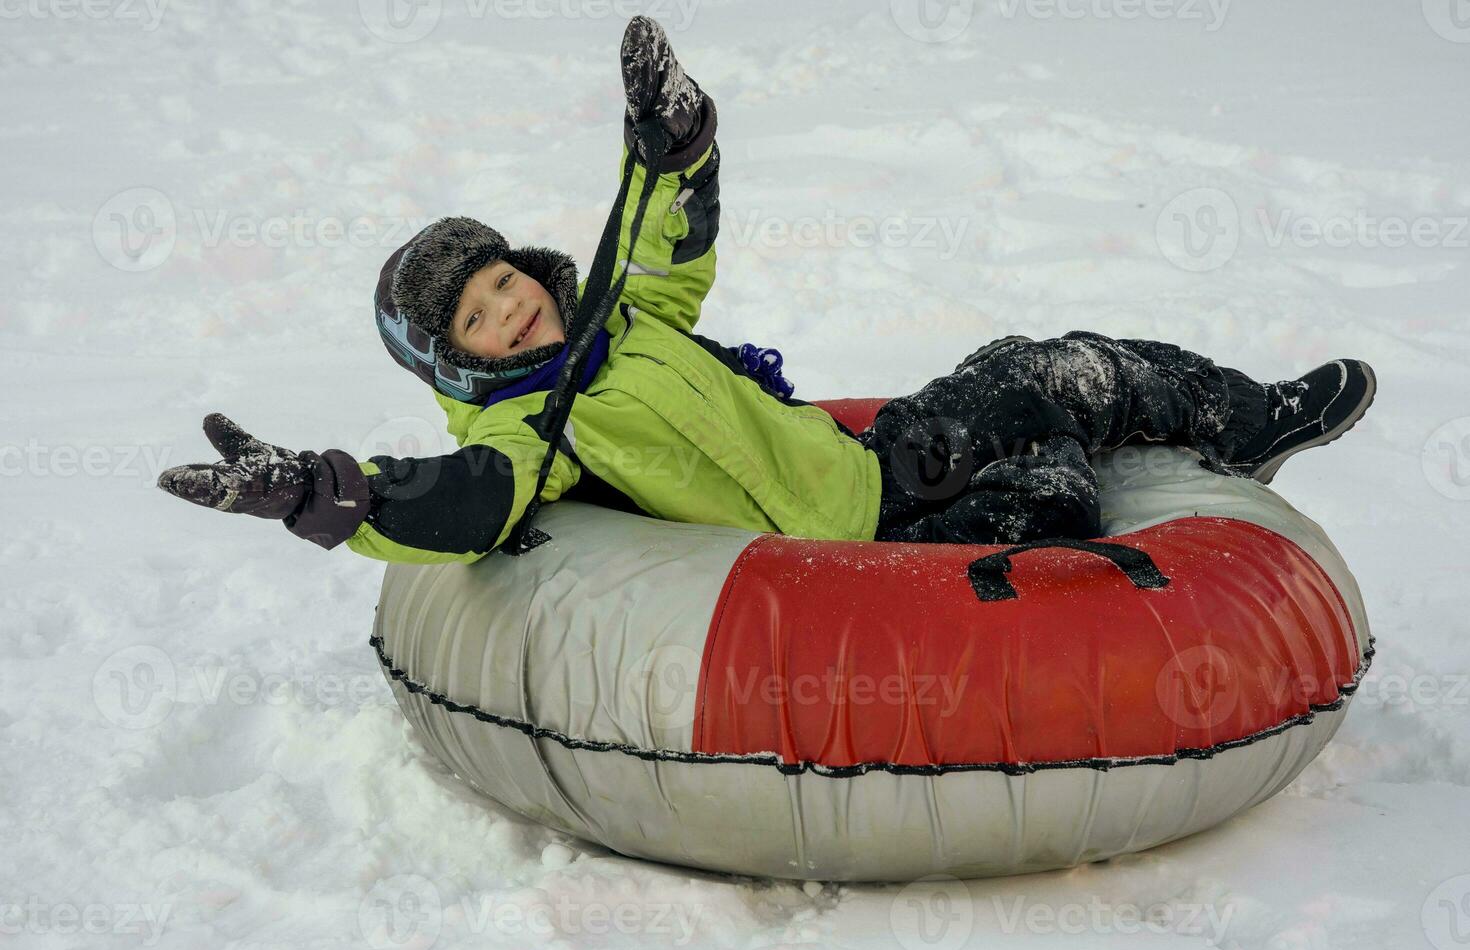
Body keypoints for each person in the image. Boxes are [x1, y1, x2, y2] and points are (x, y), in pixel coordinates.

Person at [157, 17, 1376, 558]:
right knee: (1054, 488)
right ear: (458, 362)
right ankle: (1062, 486)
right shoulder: (532, 431)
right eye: (475, 319)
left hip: (877, 462)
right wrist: (322, 494)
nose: (510, 308)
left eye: (501, 280)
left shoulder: (616, 324)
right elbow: (456, 504)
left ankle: (1247, 421)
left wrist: (672, 144)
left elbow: (656, 244)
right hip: (853, 548)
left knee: (1051, 363)